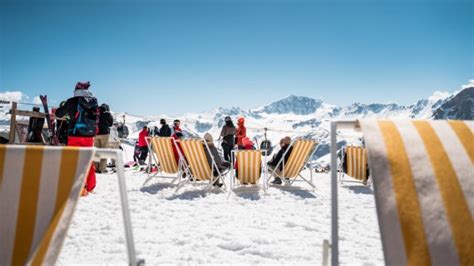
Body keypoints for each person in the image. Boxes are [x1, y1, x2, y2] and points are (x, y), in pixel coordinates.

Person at [55, 81, 98, 196]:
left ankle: (78, 188)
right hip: (89, 136)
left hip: (75, 135)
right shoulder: (94, 102)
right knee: (88, 160)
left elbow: (59, 114)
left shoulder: (72, 101)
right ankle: (90, 186)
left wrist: (63, 109)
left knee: (74, 161)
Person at [94, 103, 113, 173]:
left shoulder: (96, 113)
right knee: (104, 151)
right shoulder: (107, 114)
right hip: (105, 134)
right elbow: (111, 124)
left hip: (96, 134)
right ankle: (102, 168)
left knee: (96, 152)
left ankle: (95, 168)